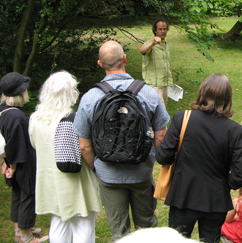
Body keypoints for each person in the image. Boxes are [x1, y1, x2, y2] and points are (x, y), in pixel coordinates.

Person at [73, 41, 170, 241]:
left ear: (100, 64)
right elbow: (161, 133)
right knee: (148, 229)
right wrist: (154, 159)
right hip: (141, 171)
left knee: (120, 233)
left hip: (108, 175)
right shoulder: (148, 93)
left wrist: (96, 168)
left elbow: (84, 145)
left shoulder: (90, 98)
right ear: (125, 59)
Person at [156, 74, 242, 243]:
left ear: (203, 93)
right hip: (216, 200)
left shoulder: (181, 118)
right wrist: (222, 184)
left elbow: (163, 156)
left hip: (182, 196)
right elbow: (240, 175)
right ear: (228, 97)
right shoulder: (234, 130)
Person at [29, 71, 102, 243]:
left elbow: (35, 145)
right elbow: (85, 148)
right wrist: (95, 168)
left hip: (49, 180)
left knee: (58, 222)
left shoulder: (34, 118)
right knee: (83, 225)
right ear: (71, 93)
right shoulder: (74, 119)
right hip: (76, 181)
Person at [0, 72, 48, 243]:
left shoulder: (4, 111)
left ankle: (18, 229)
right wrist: (12, 167)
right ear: (21, 93)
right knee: (28, 194)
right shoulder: (17, 117)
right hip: (22, 162)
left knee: (18, 193)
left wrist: (4, 163)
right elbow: (15, 144)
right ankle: (26, 236)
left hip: (12, 161)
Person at [139, 19, 173, 107]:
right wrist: (152, 43)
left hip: (164, 84)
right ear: (155, 31)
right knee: (161, 112)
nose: (163, 31)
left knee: (162, 112)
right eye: (160, 29)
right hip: (154, 85)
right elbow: (142, 50)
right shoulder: (150, 43)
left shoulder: (166, 44)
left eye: (165, 29)